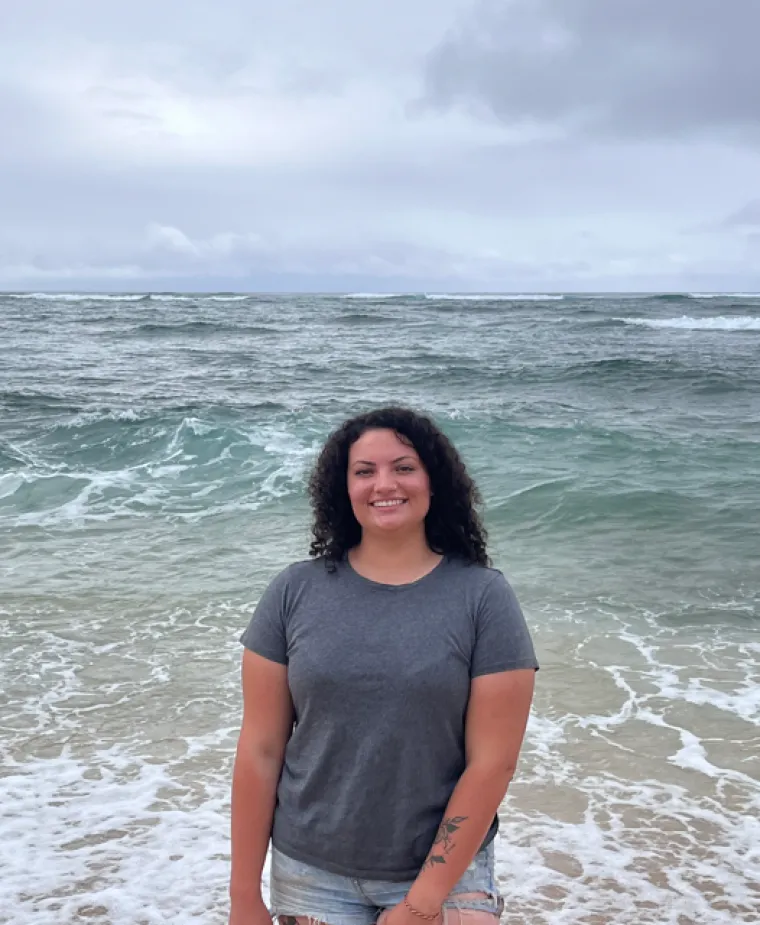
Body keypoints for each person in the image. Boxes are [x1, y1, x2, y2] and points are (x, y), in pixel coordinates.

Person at [229, 407, 538, 925]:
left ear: (433, 481)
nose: (384, 484)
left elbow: (493, 763)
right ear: (343, 487)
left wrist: (422, 902)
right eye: (364, 471)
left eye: (403, 467)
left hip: (446, 871)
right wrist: (243, 896)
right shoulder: (293, 591)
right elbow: (260, 748)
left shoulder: (484, 597)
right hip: (311, 872)